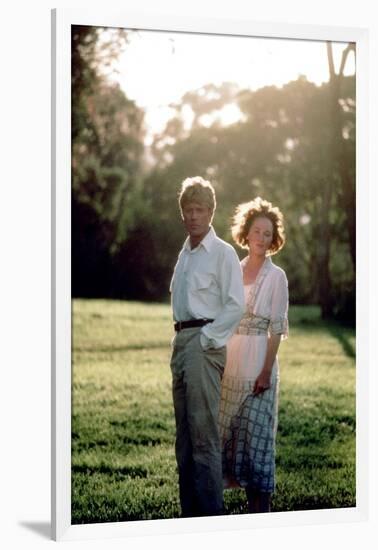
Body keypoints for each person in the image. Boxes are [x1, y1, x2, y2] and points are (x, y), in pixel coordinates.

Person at [169, 176, 245, 518]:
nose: (194, 215)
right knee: (184, 440)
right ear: (182, 213)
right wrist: (186, 342)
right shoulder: (185, 254)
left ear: (211, 212)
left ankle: (211, 519)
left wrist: (207, 340)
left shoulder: (222, 253)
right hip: (181, 343)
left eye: (200, 209)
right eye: (188, 209)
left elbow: (234, 305)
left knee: (203, 438)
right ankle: (190, 517)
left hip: (203, 343)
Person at [219, 196, 289, 514]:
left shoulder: (277, 278)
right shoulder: (232, 269)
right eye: (257, 231)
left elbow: (277, 329)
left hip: (259, 366)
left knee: (258, 445)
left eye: (267, 233)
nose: (261, 238)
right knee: (232, 442)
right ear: (246, 233)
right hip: (231, 364)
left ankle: (261, 515)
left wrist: (265, 371)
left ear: (273, 240)